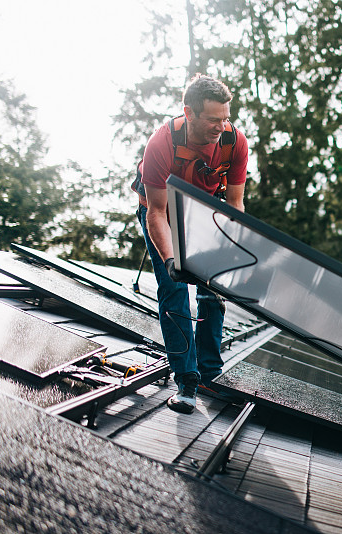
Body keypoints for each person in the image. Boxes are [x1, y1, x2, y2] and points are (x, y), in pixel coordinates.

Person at [136, 74, 248, 414]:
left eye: (225, 118)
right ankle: (186, 381)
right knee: (173, 289)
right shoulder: (162, 143)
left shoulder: (234, 143)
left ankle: (210, 376)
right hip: (163, 216)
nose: (221, 126)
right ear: (189, 112)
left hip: (202, 216)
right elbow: (156, 212)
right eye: (213, 119)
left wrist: (230, 251)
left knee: (212, 292)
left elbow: (235, 205)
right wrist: (171, 260)